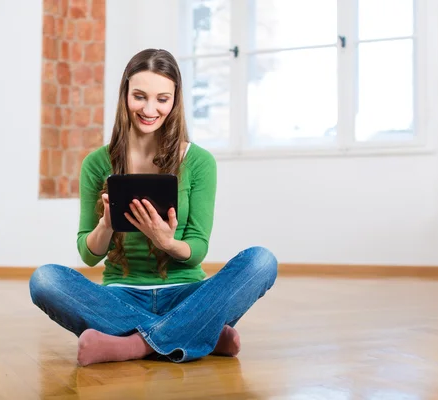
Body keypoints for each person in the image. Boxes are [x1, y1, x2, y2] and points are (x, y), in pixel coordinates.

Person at [29, 48, 278, 367]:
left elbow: (198, 248)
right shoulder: (97, 163)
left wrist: (167, 242)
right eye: (139, 96)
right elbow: (88, 254)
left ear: (175, 101)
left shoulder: (199, 162)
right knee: (44, 280)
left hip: (188, 294)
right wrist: (105, 224)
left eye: (162, 98)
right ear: (125, 95)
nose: (150, 109)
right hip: (120, 296)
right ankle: (199, 333)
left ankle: (134, 345)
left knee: (261, 261)